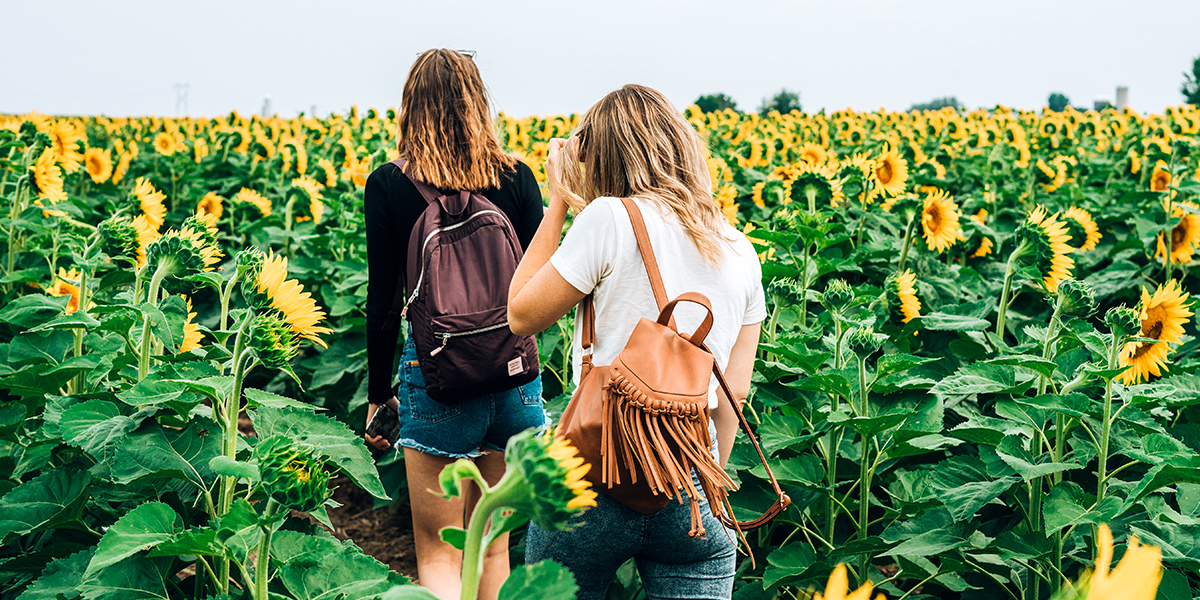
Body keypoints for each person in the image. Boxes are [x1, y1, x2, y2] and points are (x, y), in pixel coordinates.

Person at [507, 84, 766, 599]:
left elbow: (520, 314)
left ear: (600, 156)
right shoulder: (739, 248)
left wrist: (558, 198)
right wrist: (699, 477)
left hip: (593, 473)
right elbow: (732, 394)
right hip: (691, 481)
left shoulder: (608, 217)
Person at [363, 48, 546, 600]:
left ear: (409, 107)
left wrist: (378, 397)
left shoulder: (389, 184)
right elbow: (541, 283)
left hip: (437, 376)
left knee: (440, 554)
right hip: (513, 374)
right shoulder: (516, 177)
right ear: (478, 104)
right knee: (492, 546)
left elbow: (382, 302)